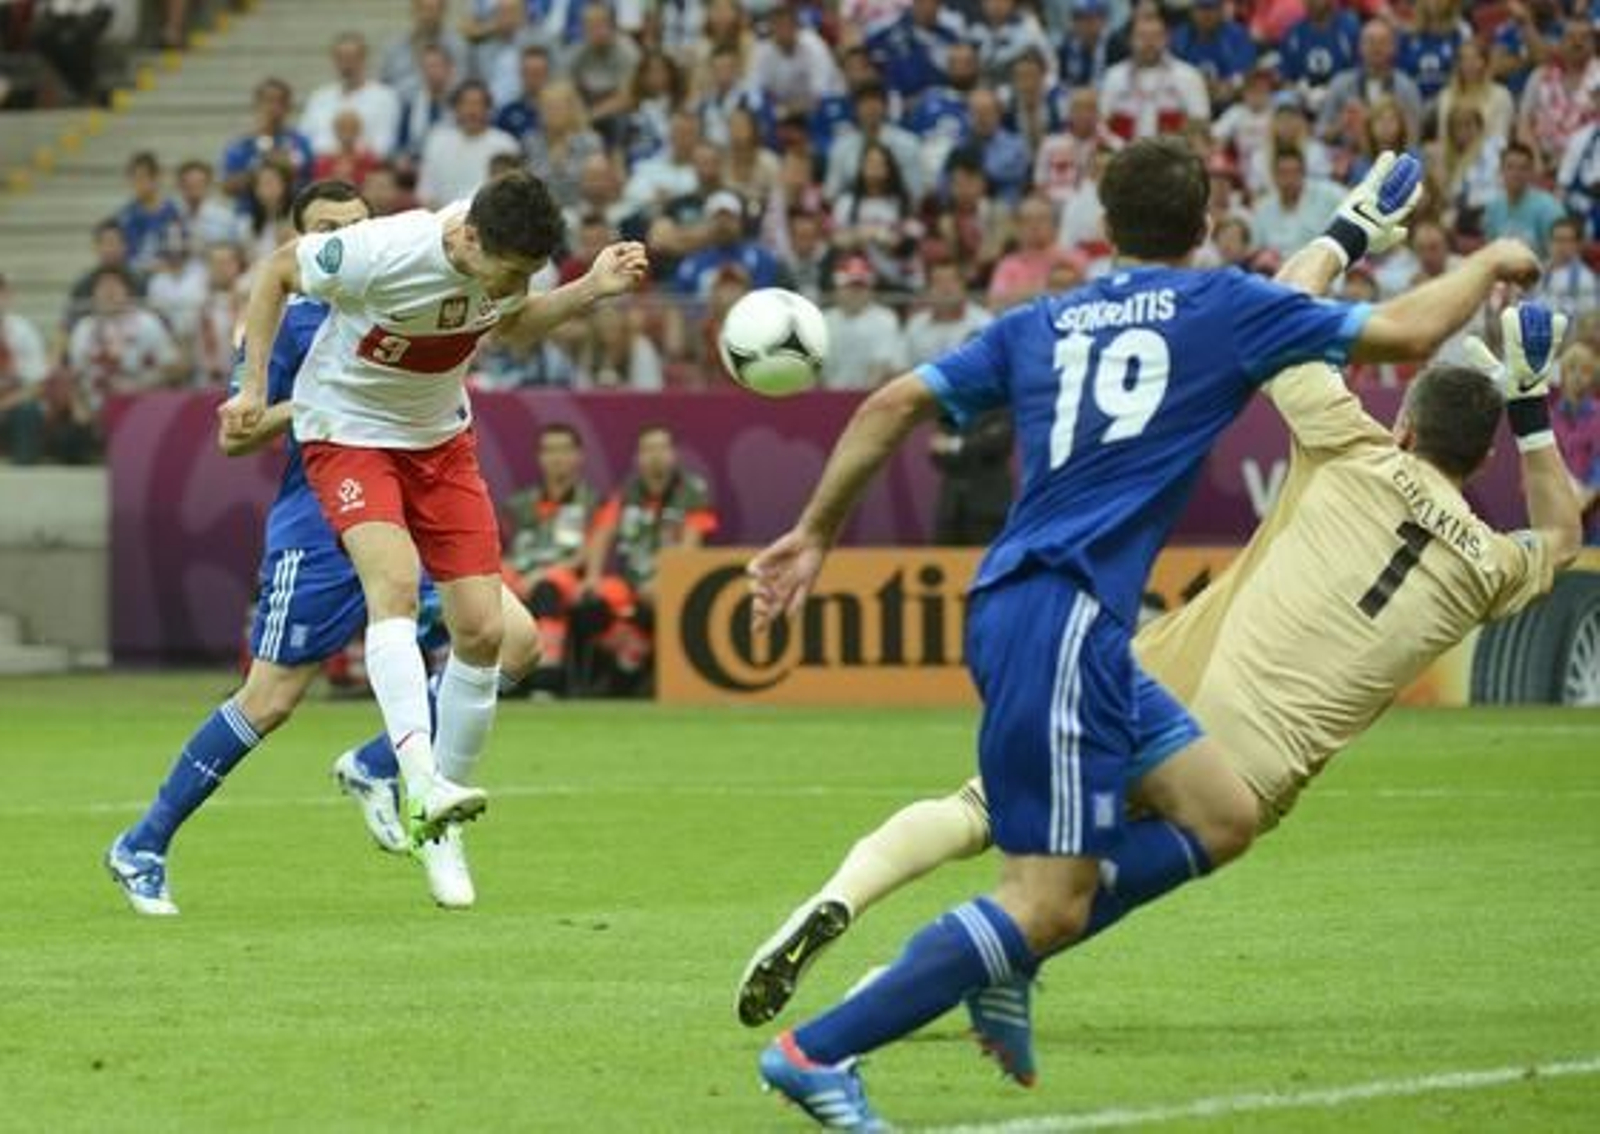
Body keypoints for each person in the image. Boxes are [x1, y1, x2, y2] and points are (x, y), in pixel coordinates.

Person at [746, 137, 1539, 1128]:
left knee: (1219, 815)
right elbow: (1402, 330)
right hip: (1065, 619)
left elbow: (891, 401)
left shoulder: (1042, 319)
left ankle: (991, 957)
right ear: (1203, 223)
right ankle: (817, 1050)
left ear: (1104, 227)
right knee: (1045, 900)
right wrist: (1484, 260)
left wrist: (815, 532)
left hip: (1034, 609)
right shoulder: (1216, 309)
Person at [105, 181, 534, 914]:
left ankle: (380, 764)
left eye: (358, 223)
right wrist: (303, 403)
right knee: (270, 700)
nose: (349, 234)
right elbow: (233, 438)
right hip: (323, 519)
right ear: (307, 238)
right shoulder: (295, 322)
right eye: (330, 226)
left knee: (513, 642)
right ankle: (143, 842)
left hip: (408, 495)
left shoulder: (409, 276)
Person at [218, 172, 647, 860]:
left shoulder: (500, 261)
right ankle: (417, 778)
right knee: (382, 595)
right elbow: (274, 271)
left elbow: (510, 323)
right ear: (468, 238)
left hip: (437, 440)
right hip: (349, 432)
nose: (513, 283)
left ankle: (412, 792)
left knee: (491, 635)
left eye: (525, 274)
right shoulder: (380, 250)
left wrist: (592, 287)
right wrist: (252, 384)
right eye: (509, 271)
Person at [576, 424, 719, 694]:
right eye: (648, 449)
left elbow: (691, 545)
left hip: (671, 585)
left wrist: (664, 578)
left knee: (654, 603)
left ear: (673, 454)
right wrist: (592, 576)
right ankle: (629, 651)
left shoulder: (692, 492)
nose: (656, 455)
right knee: (589, 602)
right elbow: (603, 533)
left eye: (662, 447)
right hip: (629, 584)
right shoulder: (627, 493)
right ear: (638, 457)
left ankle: (635, 673)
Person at [502, 422, 603, 695]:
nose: (557, 457)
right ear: (539, 457)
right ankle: (495, 675)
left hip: (566, 577)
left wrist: (543, 574)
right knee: (489, 587)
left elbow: (590, 551)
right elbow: (505, 550)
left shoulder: (594, 502)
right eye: (549, 450)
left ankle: (547, 678)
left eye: (564, 450)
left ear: (578, 456)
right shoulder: (520, 504)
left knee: (548, 587)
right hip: (521, 573)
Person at [415, 80, 520, 208]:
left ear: (488, 109)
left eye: (478, 104)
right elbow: (425, 193)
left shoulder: (506, 144)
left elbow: (513, 195)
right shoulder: (437, 141)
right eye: (465, 104)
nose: (472, 110)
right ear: (455, 108)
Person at [300, 32, 404, 160]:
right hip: (321, 170)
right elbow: (304, 142)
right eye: (340, 58)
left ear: (364, 59)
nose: (346, 65)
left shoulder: (385, 97)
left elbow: (384, 147)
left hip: (366, 170)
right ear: (333, 60)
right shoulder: (318, 97)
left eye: (351, 58)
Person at [220, 78, 315, 202]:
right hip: (248, 216)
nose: (274, 108)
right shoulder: (241, 144)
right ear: (256, 104)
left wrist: (278, 163)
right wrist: (259, 171)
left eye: (280, 102)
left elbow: (305, 179)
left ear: (288, 107)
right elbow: (227, 188)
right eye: (268, 101)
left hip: (290, 214)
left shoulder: (300, 142)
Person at [820, 257, 906, 390]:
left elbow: (881, 368)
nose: (856, 292)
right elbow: (815, 372)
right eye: (850, 286)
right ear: (837, 289)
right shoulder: (824, 321)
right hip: (828, 399)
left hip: (870, 399)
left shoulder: (884, 319)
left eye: (861, 286)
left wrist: (857, 401)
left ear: (871, 290)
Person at [1483, 142, 1565, 257]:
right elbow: (1490, 251)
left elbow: (1559, 256)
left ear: (1531, 172)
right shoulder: (1493, 207)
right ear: (1500, 171)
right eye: (1510, 167)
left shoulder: (1548, 208)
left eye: (1523, 168)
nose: (1516, 174)